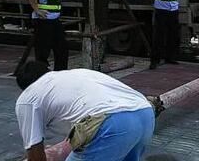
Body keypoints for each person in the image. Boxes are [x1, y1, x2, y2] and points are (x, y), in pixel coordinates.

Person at [15, 61, 155, 161]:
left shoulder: (28, 98)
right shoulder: (75, 74)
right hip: (145, 113)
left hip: (113, 123)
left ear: (25, 87)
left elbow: (35, 152)